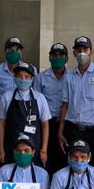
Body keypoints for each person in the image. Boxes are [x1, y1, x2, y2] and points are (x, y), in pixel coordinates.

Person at [57, 36, 94, 168]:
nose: (82, 53)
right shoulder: (68, 77)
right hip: (72, 130)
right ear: (74, 53)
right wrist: (60, 132)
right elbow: (65, 105)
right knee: (72, 166)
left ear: (91, 52)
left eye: (85, 49)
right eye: (78, 50)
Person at [0, 61, 51, 168]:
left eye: (27, 77)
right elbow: (2, 124)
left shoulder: (40, 98)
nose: (23, 79)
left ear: (32, 79)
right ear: (15, 78)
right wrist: (0, 149)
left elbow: (45, 124)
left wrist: (44, 150)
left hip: (34, 148)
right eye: (20, 76)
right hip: (12, 146)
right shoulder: (7, 97)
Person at [36, 42, 70, 175]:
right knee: (46, 158)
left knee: (64, 158)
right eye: (54, 55)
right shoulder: (41, 78)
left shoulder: (72, 77)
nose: (57, 58)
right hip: (47, 124)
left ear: (67, 58)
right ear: (49, 57)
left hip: (65, 124)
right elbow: (36, 102)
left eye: (61, 55)